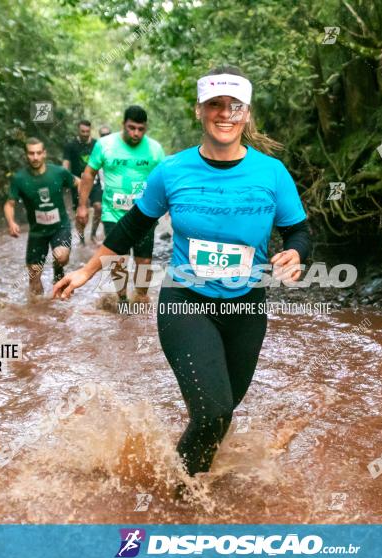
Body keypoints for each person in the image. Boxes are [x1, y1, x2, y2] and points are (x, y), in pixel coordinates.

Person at [53, 66, 311, 494]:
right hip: (186, 303)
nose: (224, 114)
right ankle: (180, 500)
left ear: (245, 114)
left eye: (234, 107)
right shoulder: (172, 171)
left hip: (247, 308)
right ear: (200, 110)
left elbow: (300, 230)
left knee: (222, 412)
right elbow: (132, 226)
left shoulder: (272, 173)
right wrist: (86, 270)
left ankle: (181, 470)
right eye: (215, 105)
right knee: (212, 414)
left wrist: (296, 253)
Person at [76, 106, 165, 304]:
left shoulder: (155, 149)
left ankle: (141, 298)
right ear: (123, 124)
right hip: (113, 214)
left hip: (144, 215)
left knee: (144, 263)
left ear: (146, 128)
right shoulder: (105, 145)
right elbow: (89, 173)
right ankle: (123, 300)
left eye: (140, 129)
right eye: (131, 128)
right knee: (118, 262)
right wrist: (82, 206)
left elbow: (164, 179)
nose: (136, 133)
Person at [5, 138, 77, 295]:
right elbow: (9, 204)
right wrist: (11, 222)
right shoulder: (19, 179)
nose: (35, 157)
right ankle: (38, 313)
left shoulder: (59, 172)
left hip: (60, 226)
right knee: (34, 279)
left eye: (38, 153)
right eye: (31, 153)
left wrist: (82, 206)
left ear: (44, 153)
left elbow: (79, 183)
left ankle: (58, 270)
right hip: (37, 232)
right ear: (26, 155)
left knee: (61, 256)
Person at [62, 120, 103, 245]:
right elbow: (65, 164)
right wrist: (64, 178)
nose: (85, 134)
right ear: (78, 131)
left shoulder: (97, 144)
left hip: (95, 182)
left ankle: (93, 235)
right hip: (78, 183)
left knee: (98, 207)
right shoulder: (70, 146)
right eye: (82, 131)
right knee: (80, 214)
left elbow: (103, 162)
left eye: (87, 131)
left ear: (90, 130)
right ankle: (81, 240)